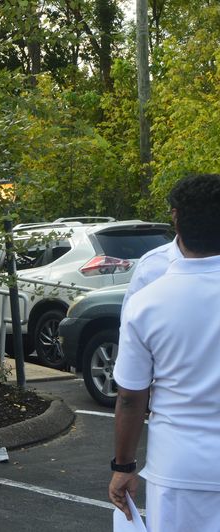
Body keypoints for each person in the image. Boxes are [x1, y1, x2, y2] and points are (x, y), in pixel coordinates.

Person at [110, 174, 220, 531]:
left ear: (176, 218)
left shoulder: (147, 302)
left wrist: (123, 466)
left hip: (178, 466)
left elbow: (131, 398)